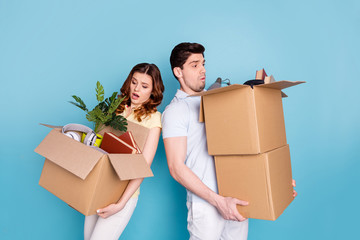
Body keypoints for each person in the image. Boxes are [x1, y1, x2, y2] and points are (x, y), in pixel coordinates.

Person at [161, 42, 297, 240]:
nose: (203, 70)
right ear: (178, 72)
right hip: (206, 204)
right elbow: (175, 167)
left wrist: (275, 183)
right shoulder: (175, 111)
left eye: (203, 64)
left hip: (236, 198)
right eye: (194, 65)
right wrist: (218, 201)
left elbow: (247, 145)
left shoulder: (219, 100)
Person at [84, 63, 165, 240]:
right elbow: (96, 146)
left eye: (144, 86)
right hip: (98, 185)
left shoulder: (153, 119)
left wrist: (121, 204)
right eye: (134, 82)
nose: (136, 89)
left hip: (122, 194)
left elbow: (143, 165)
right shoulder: (114, 108)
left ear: (153, 91)